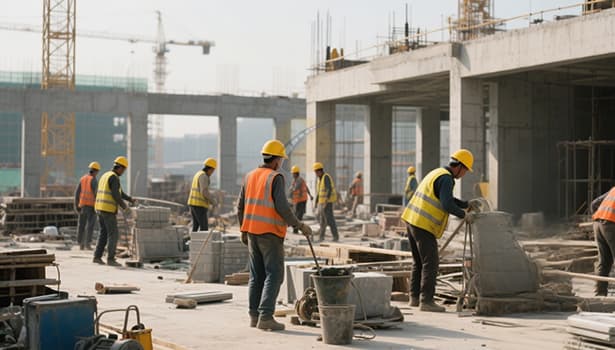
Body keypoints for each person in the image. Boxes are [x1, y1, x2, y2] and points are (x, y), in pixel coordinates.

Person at [237, 139, 312, 331]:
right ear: (277, 160)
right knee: (274, 274)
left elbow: (240, 206)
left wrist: (243, 229)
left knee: (257, 275)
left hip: (252, 232)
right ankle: (266, 317)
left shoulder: (250, 176)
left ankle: (254, 316)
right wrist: (300, 225)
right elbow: (282, 207)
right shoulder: (275, 177)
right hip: (269, 233)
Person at [400, 149, 476, 312]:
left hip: (412, 220)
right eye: (465, 171)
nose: (464, 175)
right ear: (460, 167)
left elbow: (446, 198)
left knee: (419, 262)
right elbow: (447, 204)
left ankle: (414, 298)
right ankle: (426, 301)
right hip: (423, 225)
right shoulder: (447, 179)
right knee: (431, 262)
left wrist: (465, 204)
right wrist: (464, 215)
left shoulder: (438, 173)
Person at [93, 156, 136, 267]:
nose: (124, 172)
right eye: (124, 169)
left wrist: (129, 199)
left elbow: (119, 193)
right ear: (120, 168)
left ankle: (97, 257)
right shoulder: (114, 178)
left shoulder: (105, 175)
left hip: (99, 208)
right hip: (107, 210)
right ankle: (110, 259)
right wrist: (125, 207)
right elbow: (116, 195)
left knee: (103, 233)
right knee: (113, 234)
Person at [591, 185, 615, 296]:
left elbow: (594, 204)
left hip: (598, 223)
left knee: (604, 262)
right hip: (611, 225)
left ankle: (600, 295)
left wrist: (599, 218)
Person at [74, 161, 100, 250]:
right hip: (91, 207)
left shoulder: (82, 179)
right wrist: (98, 206)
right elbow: (97, 194)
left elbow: (77, 193)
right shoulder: (93, 180)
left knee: (81, 225)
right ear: (96, 171)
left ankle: (81, 244)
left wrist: (76, 206)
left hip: (82, 206)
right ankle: (88, 244)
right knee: (90, 225)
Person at [187, 158, 217, 232]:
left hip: (193, 204)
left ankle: (193, 243)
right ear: (211, 169)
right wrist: (213, 201)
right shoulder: (204, 176)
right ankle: (200, 243)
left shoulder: (198, 174)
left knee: (195, 227)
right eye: (213, 171)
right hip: (199, 206)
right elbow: (204, 191)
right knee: (204, 228)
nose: (212, 173)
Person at [313, 162, 339, 242]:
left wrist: (326, 201)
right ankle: (321, 237)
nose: (316, 174)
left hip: (327, 202)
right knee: (322, 220)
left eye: (316, 172)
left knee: (330, 219)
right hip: (322, 203)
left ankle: (335, 236)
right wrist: (316, 202)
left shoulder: (326, 177)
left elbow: (329, 189)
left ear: (319, 171)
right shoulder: (319, 179)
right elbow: (319, 192)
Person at [289, 165, 313, 233]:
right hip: (297, 201)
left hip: (301, 200)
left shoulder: (299, 180)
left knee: (298, 216)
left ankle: (295, 230)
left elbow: (295, 188)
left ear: (296, 173)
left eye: (293, 173)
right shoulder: (295, 180)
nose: (292, 175)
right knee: (297, 215)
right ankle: (295, 229)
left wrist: (291, 190)